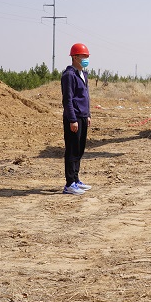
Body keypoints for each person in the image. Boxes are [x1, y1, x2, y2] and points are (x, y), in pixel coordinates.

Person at [61, 43, 93, 195]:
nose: (86, 59)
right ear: (74, 57)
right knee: (72, 150)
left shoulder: (83, 74)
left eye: (87, 56)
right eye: (83, 56)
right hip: (73, 118)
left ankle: (76, 179)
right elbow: (67, 99)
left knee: (79, 149)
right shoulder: (69, 75)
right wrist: (72, 119)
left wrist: (88, 114)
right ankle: (69, 184)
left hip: (83, 116)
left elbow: (86, 96)